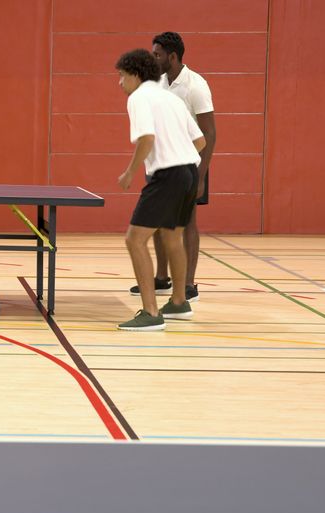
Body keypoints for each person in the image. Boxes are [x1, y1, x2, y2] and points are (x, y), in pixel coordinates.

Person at [115, 49, 206, 331]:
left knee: (135, 240)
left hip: (168, 175)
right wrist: (179, 157)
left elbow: (146, 138)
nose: (120, 83)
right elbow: (200, 141)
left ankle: (151, 312)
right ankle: (179, 301)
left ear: (136, 75)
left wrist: (130, 172)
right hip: (189, 171)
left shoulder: (139, 97)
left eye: (122, 76)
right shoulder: (171, 98)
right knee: (172, 238)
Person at [129, 31, 217, 303]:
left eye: (157, 54)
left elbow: (209, 134)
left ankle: (188, 284)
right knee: (157, 222)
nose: (153, 59)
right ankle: (161, 278)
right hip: (161, 162)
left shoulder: (196, 86)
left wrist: (201, 175)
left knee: (186, 221)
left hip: (188, 164)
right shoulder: (159, 83)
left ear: (173, 56)